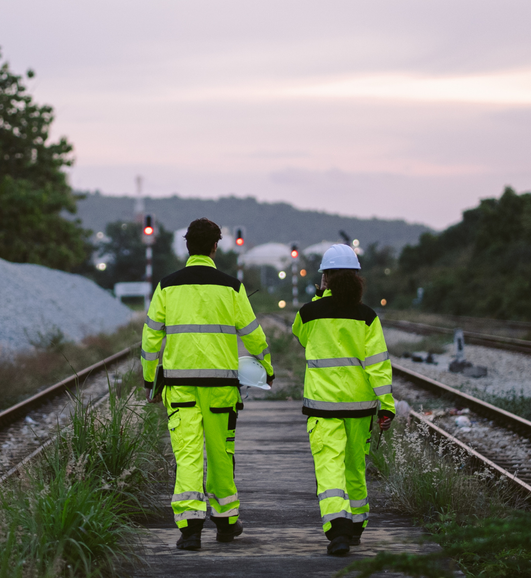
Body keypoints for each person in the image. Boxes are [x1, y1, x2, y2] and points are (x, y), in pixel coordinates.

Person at [141, 218, 274, 551]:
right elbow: (253, 334)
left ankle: (190, 530)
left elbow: (150, 338)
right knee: (220, 454)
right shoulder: (231, 286)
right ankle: (227, 523)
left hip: (180, 387)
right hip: (220, 387)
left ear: (187, 246)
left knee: (187, 456)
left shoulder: (166, 286)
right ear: (216, 246)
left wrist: (149, 380)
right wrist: (267, 368)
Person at [291, 243, 395, 557]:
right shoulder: (367, 317)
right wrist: (386, 405)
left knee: (329, 468)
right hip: (360, 408)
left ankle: (337, 530)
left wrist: (320, 297)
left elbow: (301, 336)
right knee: (354, 468)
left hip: (323, 408)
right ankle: (357, 525)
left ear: (325, 278)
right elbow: (378, 365)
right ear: (357, 279)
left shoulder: (309, 313)